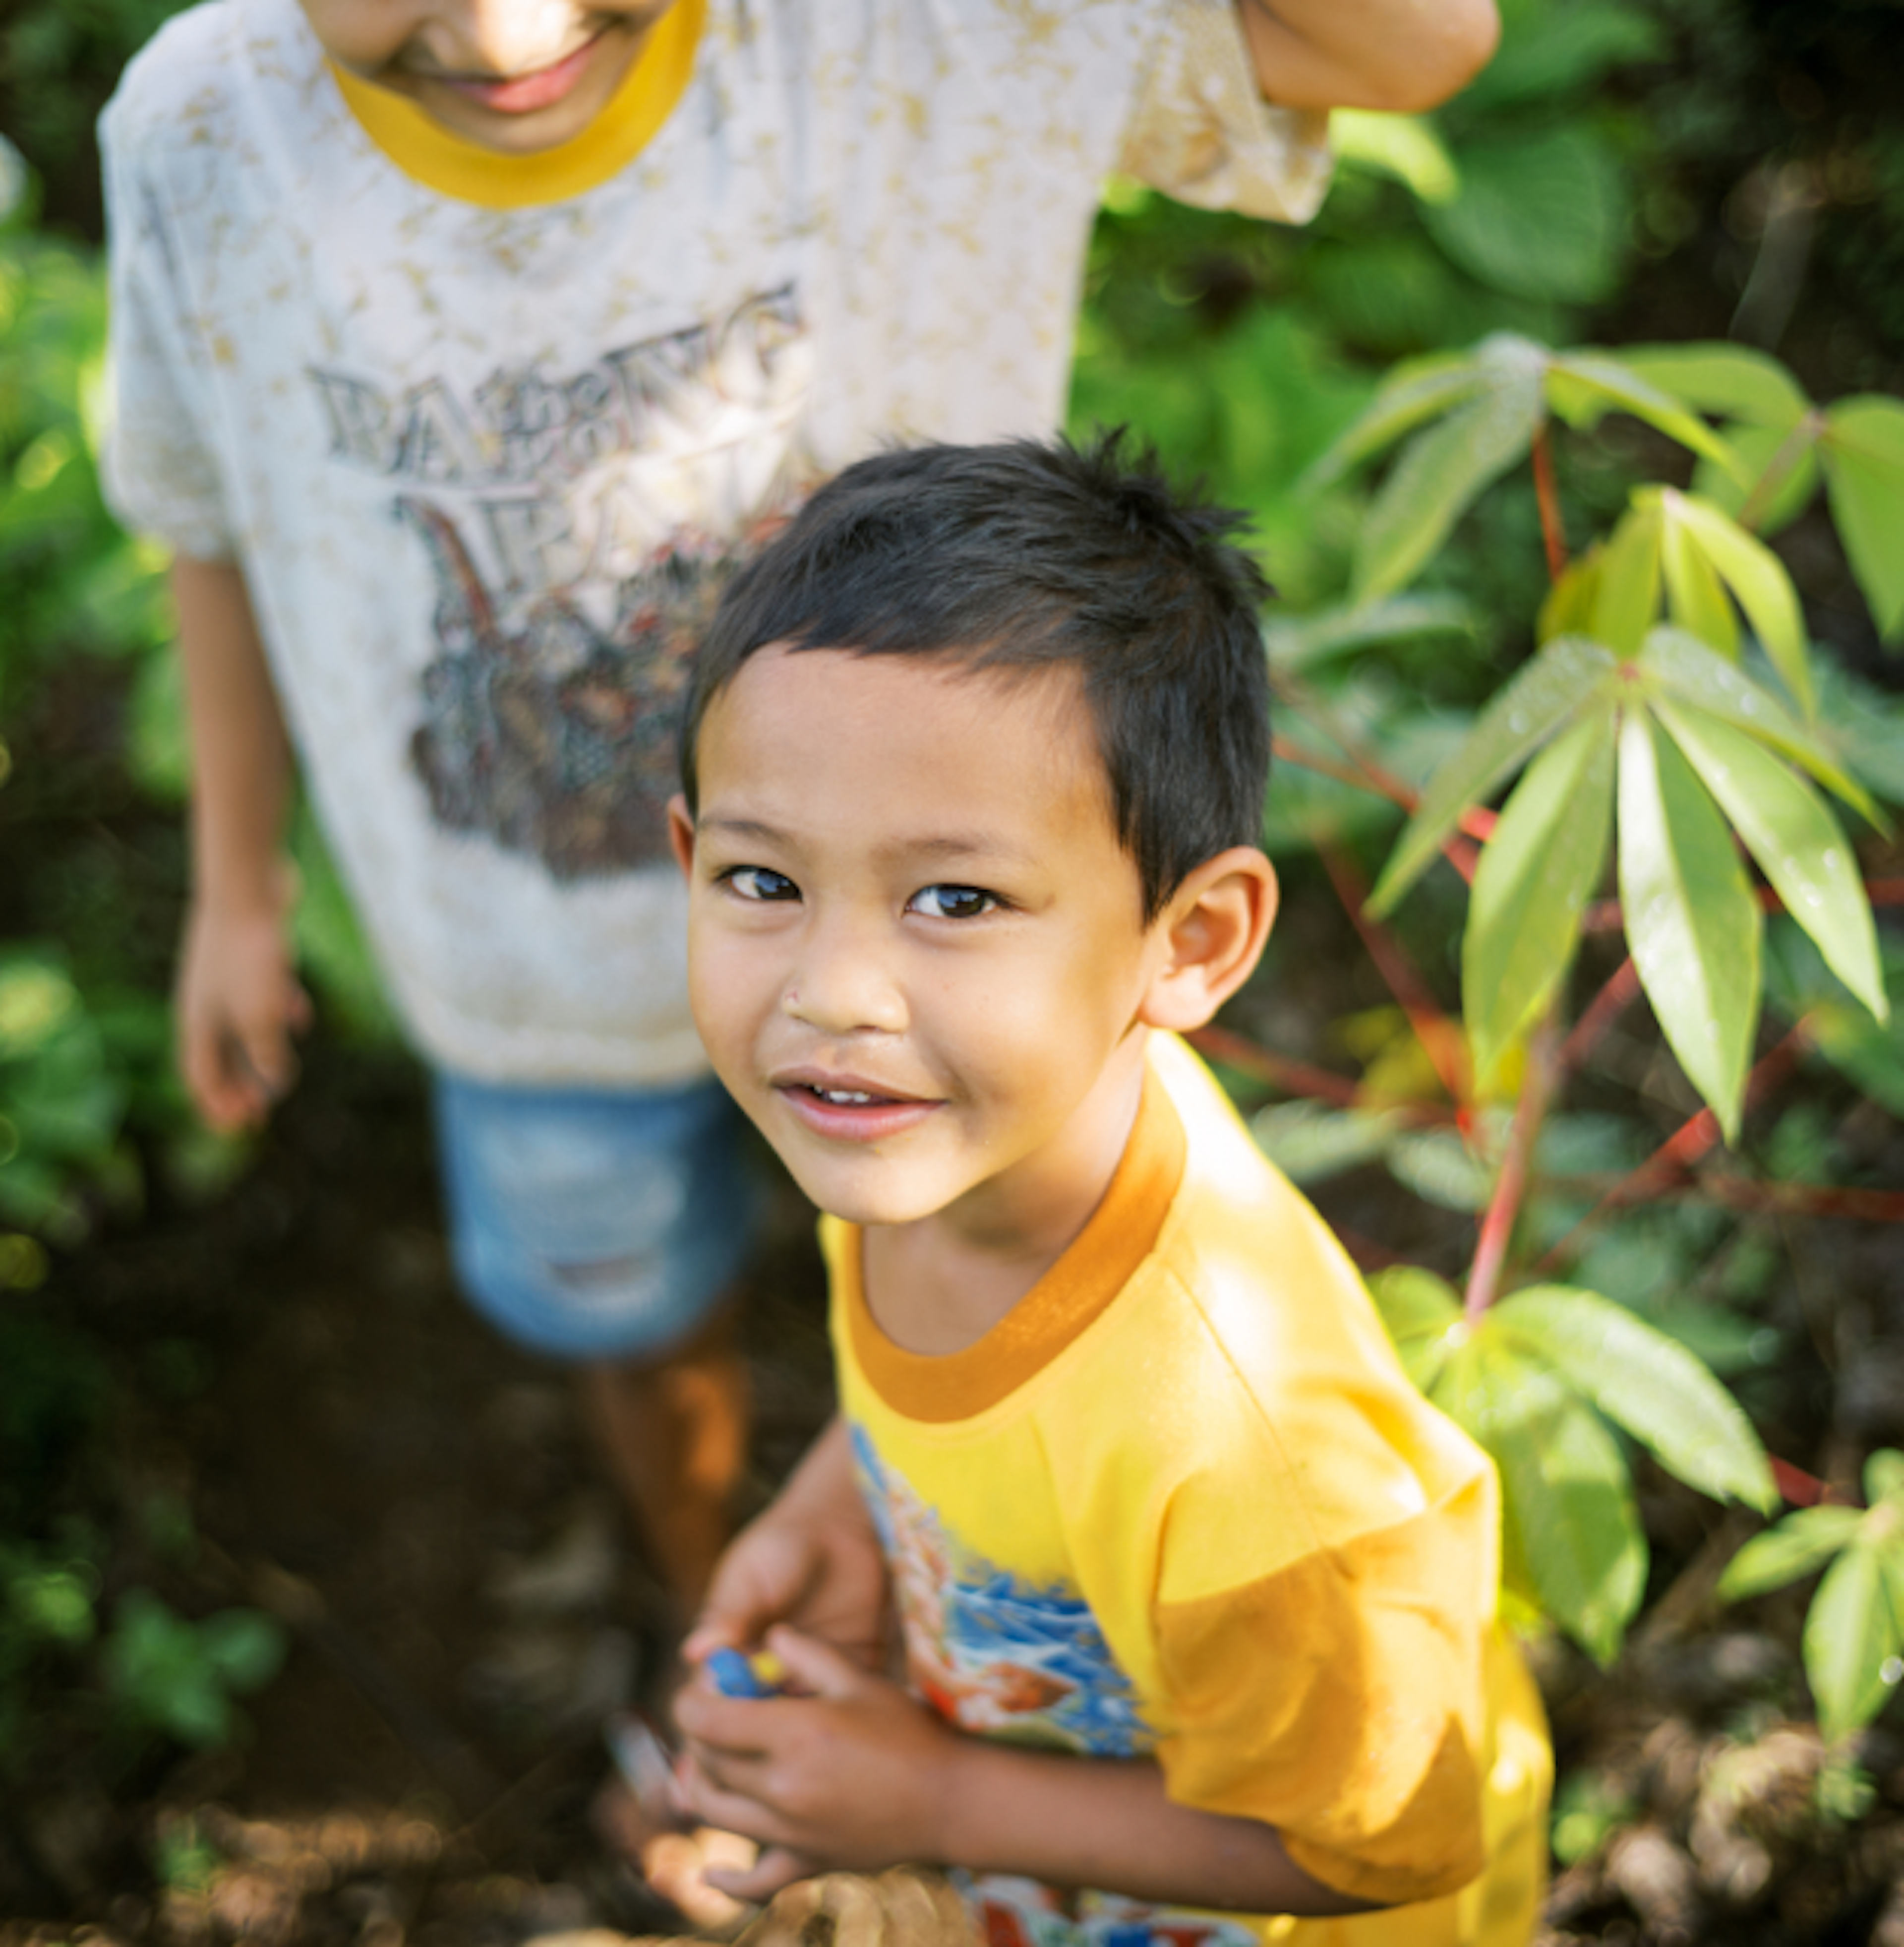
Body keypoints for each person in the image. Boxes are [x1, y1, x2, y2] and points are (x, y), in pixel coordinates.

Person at [98, 0, 1499, 1625]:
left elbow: (1415, 45)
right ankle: (727, 1622)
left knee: (986, 1303)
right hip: (519, 973)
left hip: (972, 967)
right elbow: (216, 518)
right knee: (637, 1327)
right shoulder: (206, 133)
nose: (506, 31)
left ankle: (968, 1646)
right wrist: (238, 886)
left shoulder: (924, 32)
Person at [661, 434, 1552, 1947]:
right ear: (687, 857)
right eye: (764, 880)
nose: (833, 991)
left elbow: (1395, 1838)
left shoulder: (1247, 1457)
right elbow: (968, 1400)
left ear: (1188, 943)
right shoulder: (928, 1126)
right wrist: (842, 1508)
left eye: (956, 899)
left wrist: (934, 1800)